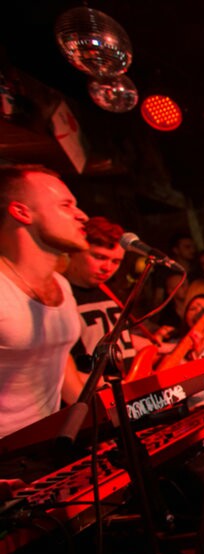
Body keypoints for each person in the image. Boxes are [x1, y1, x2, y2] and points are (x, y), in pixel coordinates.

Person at [0, 165, 88, 495]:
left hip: (49, 449)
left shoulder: (62, 287)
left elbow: (63, 373)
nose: (82, 215)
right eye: (66, 205)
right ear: (22, 212)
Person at [64, 216, 145, 376]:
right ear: (73, 251)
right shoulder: (60, 296)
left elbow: (119, 338)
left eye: (116, 261)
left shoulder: (110, 291)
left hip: (127, 384)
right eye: (99, 257)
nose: (107, 268)